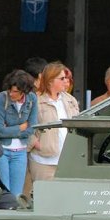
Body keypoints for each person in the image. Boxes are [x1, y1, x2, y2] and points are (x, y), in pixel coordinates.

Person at [27, 62, 80, 191]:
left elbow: (78, 124)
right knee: (45, 199)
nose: (65, 81)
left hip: (67, 160)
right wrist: (37, 143)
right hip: (44, 161)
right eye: (61, 78)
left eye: (66, 78)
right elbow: (26, 126)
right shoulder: (35, 100)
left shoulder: (70, 100)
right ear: (50, 81)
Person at [0, 69, 38, 196]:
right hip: (2, 149)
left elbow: (32, 128)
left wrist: (10, 129)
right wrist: (20, 128)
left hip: (21, 150)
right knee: (4, 190)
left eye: (16, 91)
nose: (11, 94)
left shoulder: (32, 98)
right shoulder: (2, 98)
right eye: (10, 90)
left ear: (24, 91)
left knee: (17, 194)